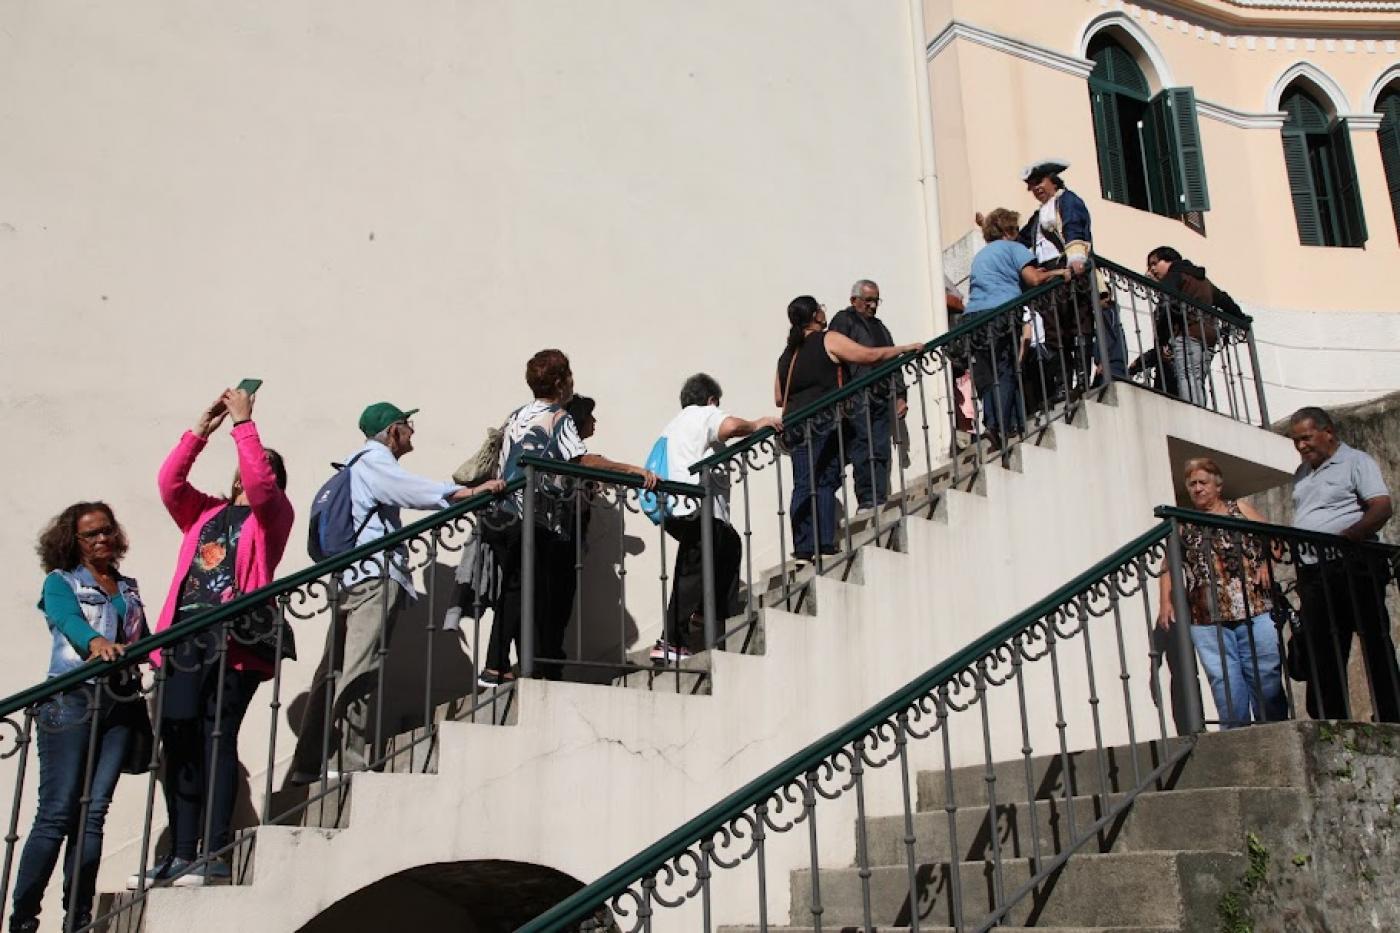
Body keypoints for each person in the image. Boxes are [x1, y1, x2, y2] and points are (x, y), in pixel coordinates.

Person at [291, 403, 503, 782]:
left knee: (334, 671)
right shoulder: (374, 461)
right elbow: (411, 491)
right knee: (360, 670)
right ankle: (348, 764)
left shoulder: (354, 465)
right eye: (407, 425)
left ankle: (308, 764)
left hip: (348, 578)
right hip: (372, 578)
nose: (412, 431)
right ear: (392, 431)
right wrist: (464, 493)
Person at [134, 387, 294, 885]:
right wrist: (201, 431)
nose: (250, 467)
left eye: (260, 463)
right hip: (183, 640)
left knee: (216, 736)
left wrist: (245, 427)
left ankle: (214, 853)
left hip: (234, 643)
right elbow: (169, 483)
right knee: (178, 741)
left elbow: (263, 489)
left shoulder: (273, 515)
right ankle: (181, 853)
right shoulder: (202, 512)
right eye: (248, 461)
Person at [481, 350, 656, 685]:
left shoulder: (516, 415)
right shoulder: (558, 417)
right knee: (530, 592)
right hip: (529, 515)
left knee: (516, 590)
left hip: (501, 512)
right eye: (570, 374)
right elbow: (582, 459)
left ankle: (503, 665)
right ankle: (504, 665)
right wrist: (631, 470)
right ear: (561, 382)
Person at [11, 503, 147, 933]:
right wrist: (94, 643)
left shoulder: (128, 587)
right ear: (74, 541)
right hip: (70, 699)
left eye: (107, 530)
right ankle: (24, 919)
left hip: (119, 702)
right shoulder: (60, 582)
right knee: (56, 812)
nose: (102, 539)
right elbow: (66, 619)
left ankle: (78, 918)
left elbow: (140, 638)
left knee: (93, 813)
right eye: (91, 534)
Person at [775, 297, 921, 563]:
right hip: (824, 421)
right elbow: (868, 355)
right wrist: (905, 348)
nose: (824, 312)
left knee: (805, 481)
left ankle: (805, 547)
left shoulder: (787, 354)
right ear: (815, 315)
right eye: (821, 308)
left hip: (796, 426)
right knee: (826, 480)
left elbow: (778, 397)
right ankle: (824, 543)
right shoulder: (827, 339)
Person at [650, 374, 782, 663]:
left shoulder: (674, 424)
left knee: (728, 544)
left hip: (678, 507)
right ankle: (671, 640)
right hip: (698, 507)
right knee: (692, 572)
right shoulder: (704, 414)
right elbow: (731, 427)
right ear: (711, 400)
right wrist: (757, 424)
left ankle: (703, 614)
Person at [1287, 407, 1399, 722]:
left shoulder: (1356, 462)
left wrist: (1350, 536)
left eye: (1306, 438)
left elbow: (1381, 507)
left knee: (1373, 637)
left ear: (1328, 432)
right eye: (1296, 441)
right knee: (1322, 643)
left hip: (1353, 564)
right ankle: (1329, 716)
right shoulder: (1302, 473)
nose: (1301, 447)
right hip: (1314, 569)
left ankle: (1391, 713)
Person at [1157, 458, 1287, 728]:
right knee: (1225, 684)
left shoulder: (1239, 509)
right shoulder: (1184, 524)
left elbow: (1275, 539)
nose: (1197, 488)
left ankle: (1275, 731)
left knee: (1266, 678)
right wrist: (1165, 603)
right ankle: (1237, 740)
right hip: (1206, 617)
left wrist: (1266, 564)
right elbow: (1167, 566)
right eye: (1191, 484)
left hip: (1256, 607)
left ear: (1218, 485)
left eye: (1202, 482)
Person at [1016, 159, 1127, 391]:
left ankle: (1080, 380)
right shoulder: (1038, 215)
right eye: (1032, 185)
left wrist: (1076, 259)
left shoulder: (1068, 200)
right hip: (1051, 277)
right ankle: (1065, 384)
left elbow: (1075, 227)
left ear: (1052, 180)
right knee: (1056, 333)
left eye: (1039, 182)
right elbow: (1021, 240)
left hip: (1069, 273)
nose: (1036, 188)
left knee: (1078, 327)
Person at [965, 209, 1069, 445]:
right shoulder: (1015, 249)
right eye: (1014, 229)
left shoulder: (980, 256)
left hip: (974, 318)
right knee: (1006, 370)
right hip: (1001, 313)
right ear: (1007, 231)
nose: (1016, 233)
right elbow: (1033, 279)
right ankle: (1000, 425)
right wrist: (1057, 272)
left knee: (989, 373)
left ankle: (991, 422)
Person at [828, 280, 906, 512]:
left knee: (880, 446)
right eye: (868, 300)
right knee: (863, 445)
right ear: (854, 300)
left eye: (876, 300)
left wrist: (900, 394)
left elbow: (892, 360)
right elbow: (836, 360)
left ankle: (879, 495)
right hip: (856, 395)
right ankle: (867, 499)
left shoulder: (880, 327)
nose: (873, 306)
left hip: (881, 394)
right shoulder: (843, 321)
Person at [1145, 247, 1229, 407]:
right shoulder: (1202, 279)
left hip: (1188, 334)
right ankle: (1200, 410)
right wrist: (1241, 317)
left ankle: (1194, 411)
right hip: (1208, 337)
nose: (1152, 269)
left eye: (1154, 264)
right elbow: (1224, 299)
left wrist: (1164, 341)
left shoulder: (1175, 275)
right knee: (1197, 378)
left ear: (1168, 260)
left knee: (1187, 375)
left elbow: (1167, 302)